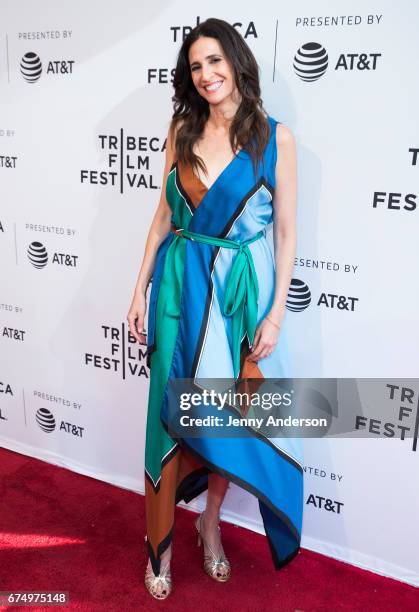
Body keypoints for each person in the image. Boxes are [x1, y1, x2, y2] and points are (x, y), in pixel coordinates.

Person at [127, 17, 302, 600]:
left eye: (214, 61)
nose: (206, 75)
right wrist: (138, 288)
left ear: (237, 60)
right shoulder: (182, 127)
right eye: (196, 66)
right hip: (179, 293)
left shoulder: (275, 138)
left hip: (238, 302)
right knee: (165, 415)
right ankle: (160, 547)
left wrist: (274, 315)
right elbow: (161, 217)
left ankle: (210, 524)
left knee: (226, 416)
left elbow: (286, 236)